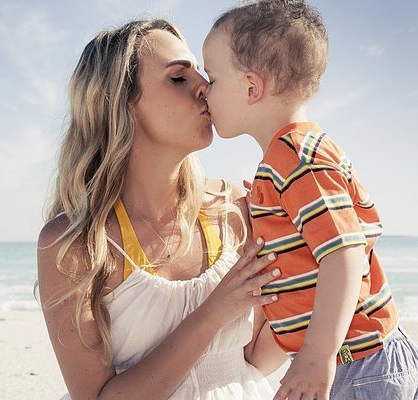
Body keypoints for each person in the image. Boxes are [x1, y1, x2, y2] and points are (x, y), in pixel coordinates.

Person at [37, 19, 288, 400]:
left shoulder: (236, 209)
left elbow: (252, 359)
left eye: (201, 74)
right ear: (121, 102)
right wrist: (213, 311)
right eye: (177, 78)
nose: (204, 86)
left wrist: (311, 260)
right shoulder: (75, 245)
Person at [202, 1, 418, 399]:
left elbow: (344, 253)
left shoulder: (296, 157)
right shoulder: (290, 161)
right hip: (356, 361)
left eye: (212, 78)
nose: (203, 90)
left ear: (252, 88)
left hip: (358, 364)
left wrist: (318, 354)